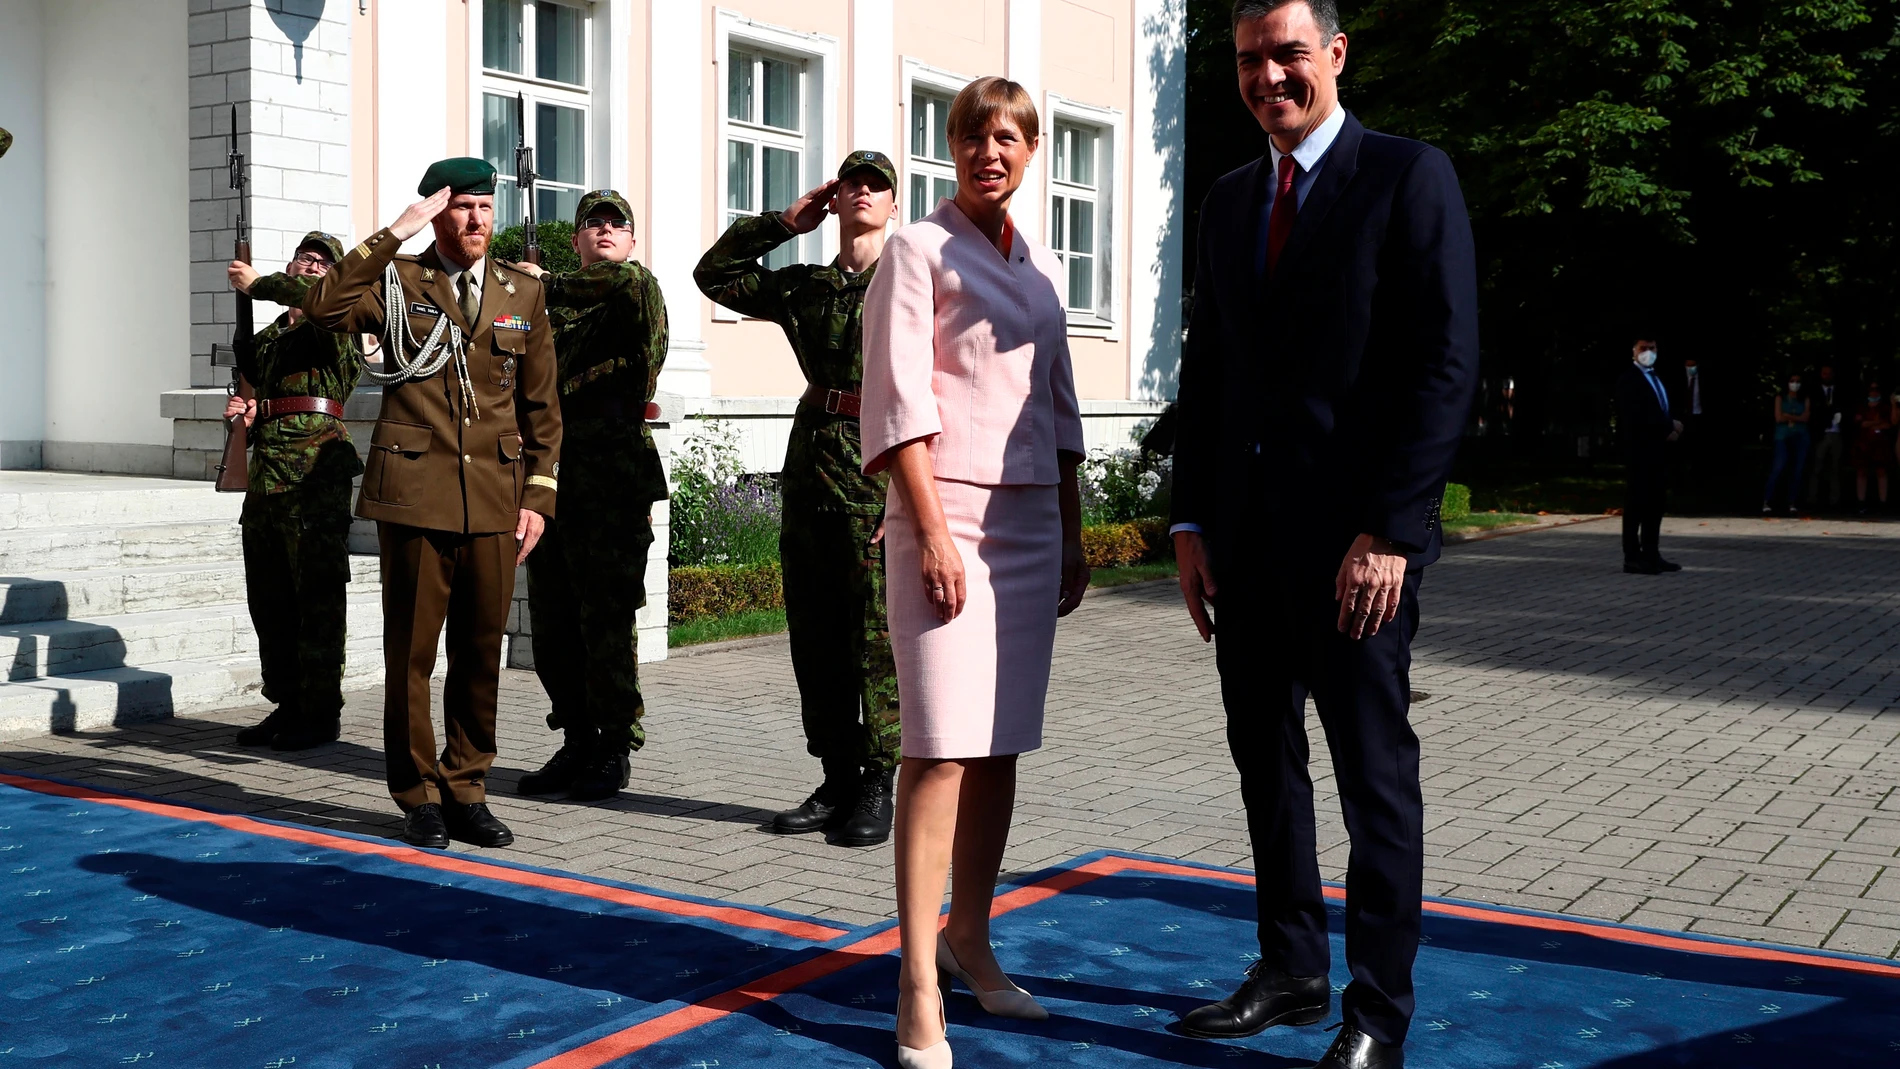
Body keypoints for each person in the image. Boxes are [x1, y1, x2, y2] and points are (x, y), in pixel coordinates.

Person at [1168, 3, 1479, 1067]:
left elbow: (1444, 363)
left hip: (1359, 555)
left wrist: (1392, 530)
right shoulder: (1225, 200)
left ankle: (1375, 1012)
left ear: (1335, 55)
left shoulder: (1407, 175)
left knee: (1372, 778)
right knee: (1266, 763)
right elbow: (1207, 374)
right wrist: (1189, 517)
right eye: (1251, 60)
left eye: (1289, 54)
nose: (1269, 77)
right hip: (1246, 545)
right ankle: (1291, 968)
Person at [861, 77, 1089, 1069]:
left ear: (1030, 150)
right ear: (948, 147)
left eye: (1006, 137)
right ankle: (916, 978)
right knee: (940, 750)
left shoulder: (1039, 268)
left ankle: (972, 936)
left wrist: (1075, 531)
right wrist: (933, 534)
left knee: (998, 749)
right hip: (939, 516)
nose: (987, 151)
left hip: (1032, 522)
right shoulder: (917, 250)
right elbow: (897, 398)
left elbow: (1063, 411)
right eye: (970, 135)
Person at [303, 157, 561, 850]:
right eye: (461, 207)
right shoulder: (396, 279)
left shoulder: (519, 292)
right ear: (438, 210)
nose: (476, 220)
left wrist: (538, 494)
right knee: (412, 655)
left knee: (481, 652)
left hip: (494, 500)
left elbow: (542, 406)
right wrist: (395, 231)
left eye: (485, 206)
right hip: (413, 494)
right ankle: (416, 794)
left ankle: (468, 786)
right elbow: (324, 305)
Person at [695, 151, 903, 847]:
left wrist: (906, 498)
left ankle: (878, 781)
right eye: (853, 183)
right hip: (811, 470)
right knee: (813, 637)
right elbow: (714, 276)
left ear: (893, 205)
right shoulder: (808, 287)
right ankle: (837, 773)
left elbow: (940, 396)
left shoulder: (913, 283)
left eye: (877, 185)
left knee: (873, 638)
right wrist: (785, 223)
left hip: (878, 474)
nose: (864, 192)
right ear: (835, 200)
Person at [501, 191, 669, 803]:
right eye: (591, 224)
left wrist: (542, 283)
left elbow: (617, 286)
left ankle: (614, 747)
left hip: (613, 480)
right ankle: (575, 737)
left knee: (605, 619)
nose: (603, 231)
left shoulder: (635, 289)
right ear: (574, 239)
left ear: (630, 239)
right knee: (552, 621)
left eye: (615, 224)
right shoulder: (550, 306)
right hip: (549, 474)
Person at [224, 231, 363, 751]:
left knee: (318, 597)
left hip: (314, 476)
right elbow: (256, 382)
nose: (313, 266)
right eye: (306, 258)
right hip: (267, 478)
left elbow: (318, 305)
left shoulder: (338, 319)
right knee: (270, 595)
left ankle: (320, 712)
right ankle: (286, 702)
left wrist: (260, 284)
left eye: (324, 263)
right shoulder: (269, 340)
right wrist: (247, 410)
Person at [1616, 337, 1682, 574]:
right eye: (1643, 348)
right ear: (1633, 351)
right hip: (1640, 450)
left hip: (1658, 452)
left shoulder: (1656, 378)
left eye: (1652, 348)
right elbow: (1636, 416)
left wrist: (1672, 424)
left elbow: (1660, 408)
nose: (1648, 352)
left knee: (1655, 503)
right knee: (1636, 504)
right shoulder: (1629, 381)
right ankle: (1632, 556)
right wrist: (1667, 429)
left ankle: (1651, 552)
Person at [1761, 374, 1810, 514]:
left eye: (1798, 381)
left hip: (1801, 436)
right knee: (1778, 466)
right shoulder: (1780, 397)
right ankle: (1767, 500)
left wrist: (1788, 416)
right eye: (1792, 381)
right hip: (1782, 436)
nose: (1795, 384)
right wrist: (1796, 418)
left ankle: (1792, 502)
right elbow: (1778, 417)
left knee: (1797, 470)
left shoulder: (1804, 399)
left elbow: (1806, 417)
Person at [1806, 363, 1848, 509]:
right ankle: (1812, 500)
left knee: (1835, 468)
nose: (1827, 376)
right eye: (1824, 373)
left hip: (1837, 433)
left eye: (1829, 373)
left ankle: (1834, 502)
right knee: (1816, 467)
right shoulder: (1813, 391)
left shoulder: (1840, 391)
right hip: (1821, 434)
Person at [1851, 381, 1892, 514]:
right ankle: (1861, 503)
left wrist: (1871, 424)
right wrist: (1877, 423)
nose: (1874, 392)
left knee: (1881, 472)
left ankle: (1883, 503)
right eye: (1871, 389)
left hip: (1881, 444)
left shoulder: (1885, 407)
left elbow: (1888, 425)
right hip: (1863, 444)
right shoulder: (1861, 407)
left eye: (1876, 389)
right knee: (1861, 472)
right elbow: (1860, 424)